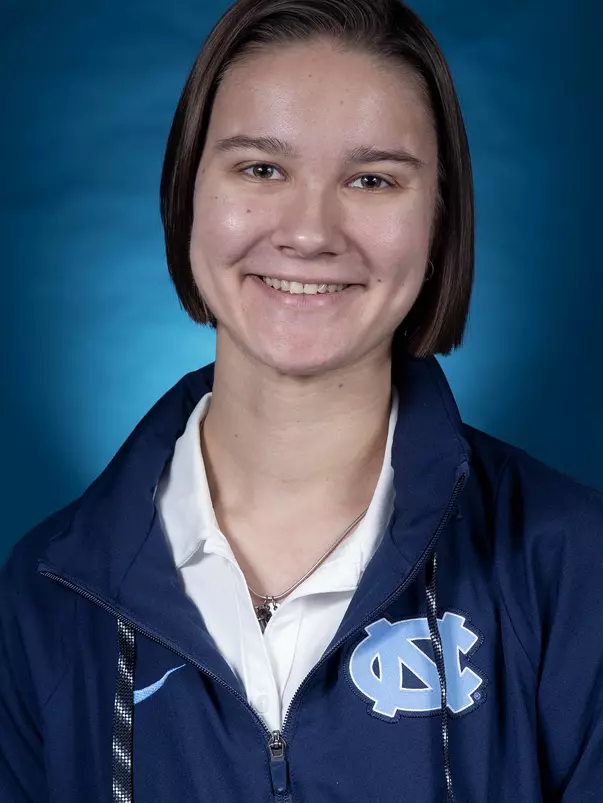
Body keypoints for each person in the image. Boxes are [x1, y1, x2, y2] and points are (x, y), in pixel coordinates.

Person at [1, 0, 602, 800]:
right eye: (260, 168)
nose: (310, 231)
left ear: (438, 219)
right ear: (188, 194)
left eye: (371, 178)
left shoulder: (573, 567)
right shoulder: (44, 596)